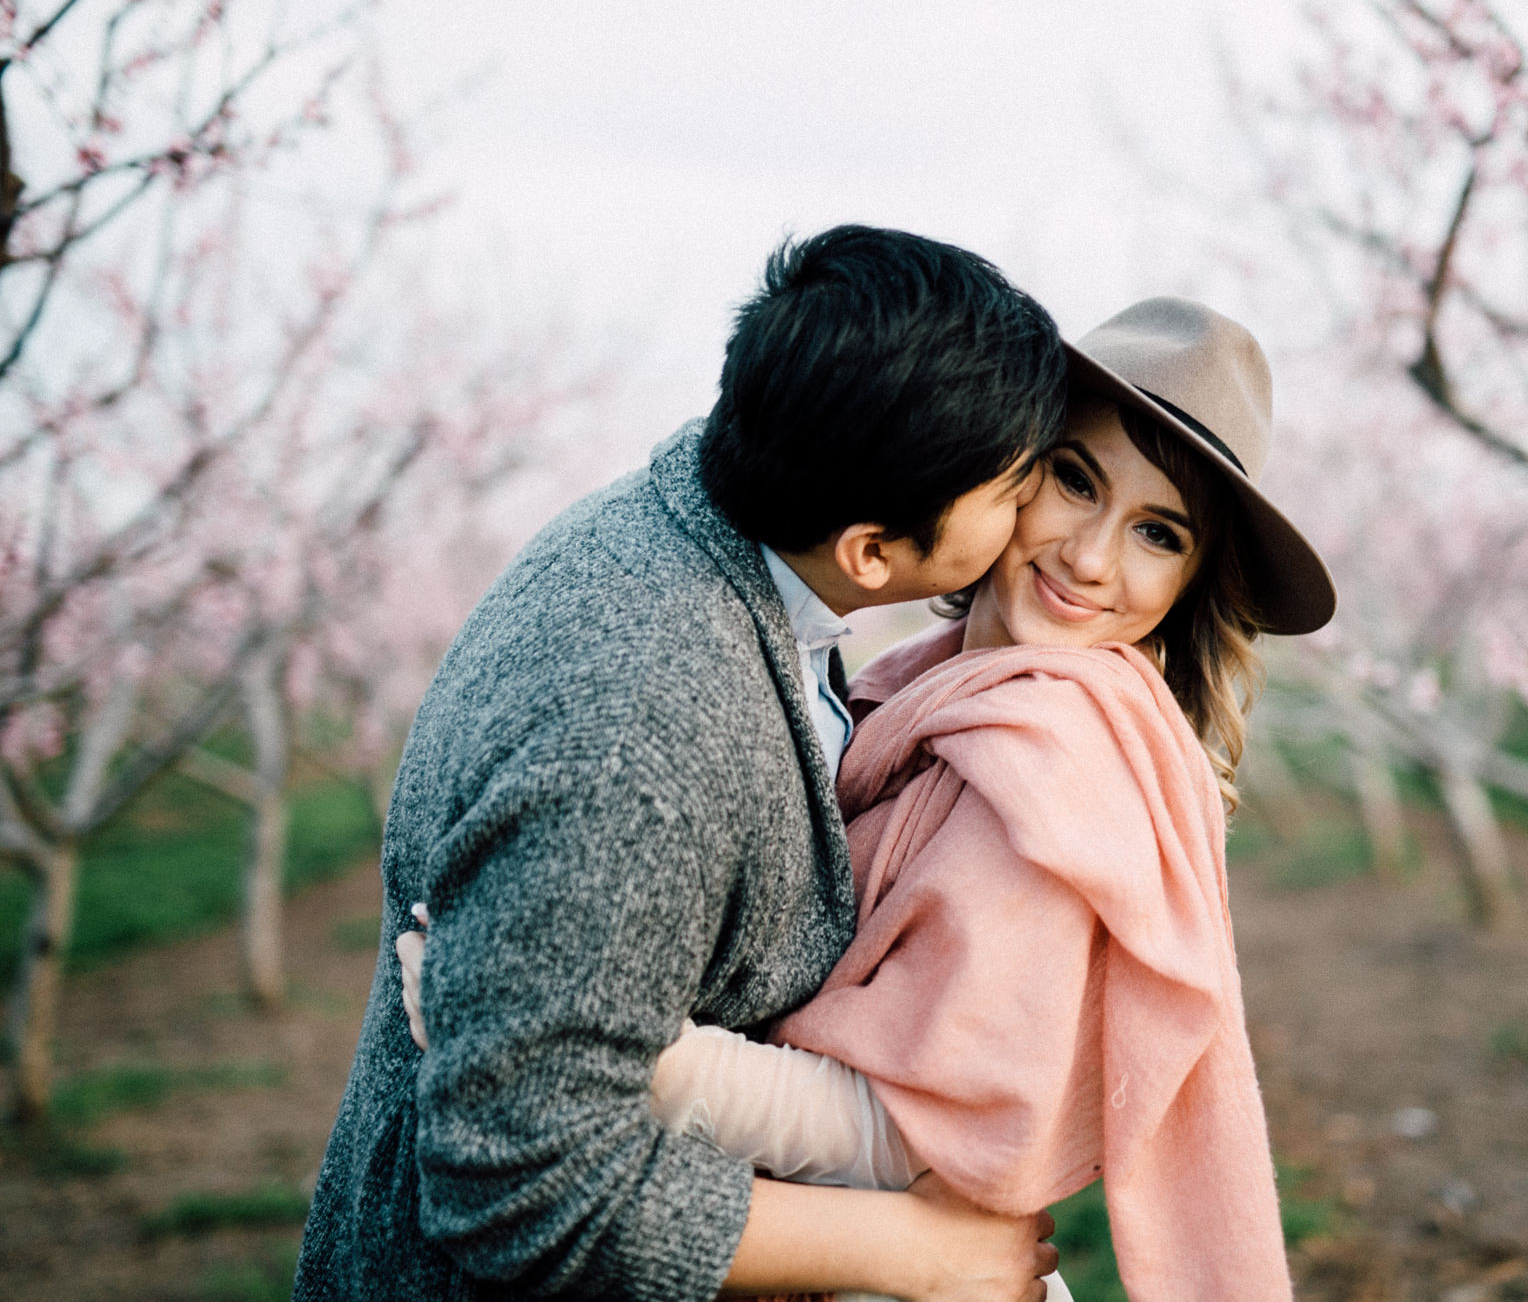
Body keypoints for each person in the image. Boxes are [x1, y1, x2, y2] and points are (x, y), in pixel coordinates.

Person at [401, 297, 1340, 1300]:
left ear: (1190, 584)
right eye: (1073, 480)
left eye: (1157, 534)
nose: (1090, 559)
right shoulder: (923, 684)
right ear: (1007, 469)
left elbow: (907, 1130)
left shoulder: (1054, 768)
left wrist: (594, 1042)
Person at [294, 225, 1075, 1302]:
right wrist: (916, 1252)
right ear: (872, 551)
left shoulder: (720, 511)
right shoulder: (640, 737)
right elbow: (520, 1184)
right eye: (1014, 482)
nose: (1037, 509)